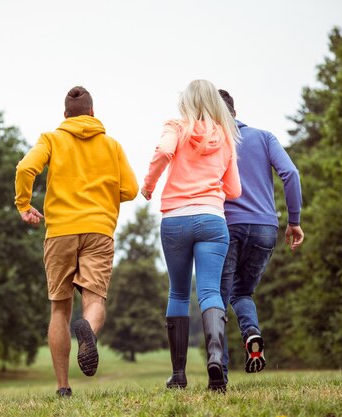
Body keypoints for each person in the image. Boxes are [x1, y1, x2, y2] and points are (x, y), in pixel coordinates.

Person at [15, 86, 138, 397]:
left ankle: (63, 388)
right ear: (93, 113)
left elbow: (25, 167)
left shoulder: (52, 139)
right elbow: (132, 190)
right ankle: (89, 332)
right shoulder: (111, 145)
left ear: (65, 116)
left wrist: (23, 204)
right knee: (94, 300)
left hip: (60, 231)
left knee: (59, 308)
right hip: (99, 229)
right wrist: (104, 195)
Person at [141, 79, 241, 392]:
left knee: (179, 293)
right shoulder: (225, 135)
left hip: (175, 221)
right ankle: (214, 356)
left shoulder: (176, 126)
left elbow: (164, 151)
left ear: (186, 101)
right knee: (210, 291)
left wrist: (148, 185)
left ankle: (179, 375)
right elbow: (235, 190)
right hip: (212, 219)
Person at [218, 89, 304, 382]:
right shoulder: (265, 137)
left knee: (217, 299)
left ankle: (220, 375)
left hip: (227, 227)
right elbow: (290, 173)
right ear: (235, 112)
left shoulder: (213, 143)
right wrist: (294, 221)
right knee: (242, 292)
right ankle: (251, 332)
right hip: (266, 228)